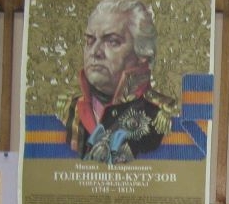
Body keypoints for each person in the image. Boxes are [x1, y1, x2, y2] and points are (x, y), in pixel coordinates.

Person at [57, 0, 178, 163]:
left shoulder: (162, 113)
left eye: (112, 41)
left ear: (142, 53)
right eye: (90, 41)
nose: (95, 52)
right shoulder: (68, 109)